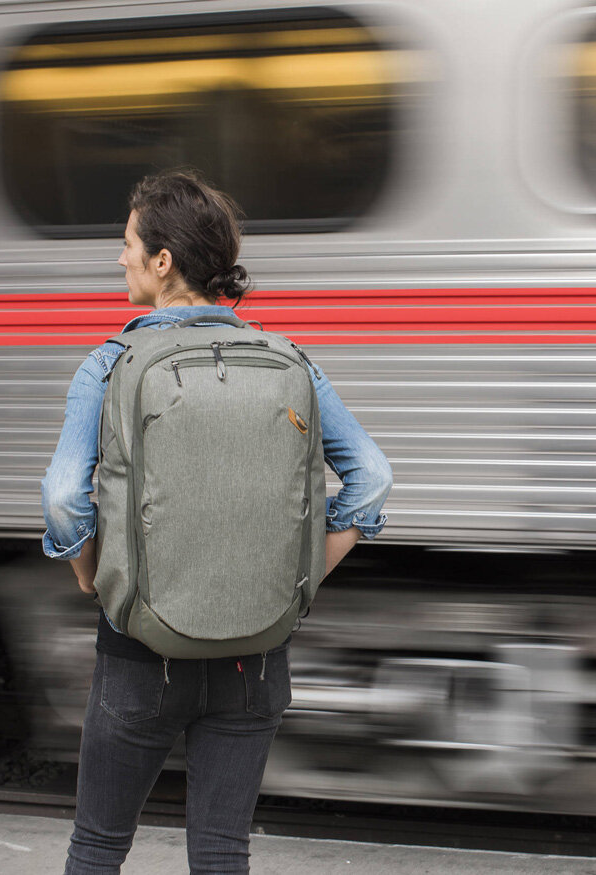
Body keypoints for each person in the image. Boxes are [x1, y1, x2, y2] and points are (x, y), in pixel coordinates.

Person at [40, 170, 393, 875]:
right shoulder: (289, 361)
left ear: (162, 261)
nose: (120, 258)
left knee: (100, 845)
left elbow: (63, 498)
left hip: (140, 652)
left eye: (128, 244)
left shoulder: (110, 363)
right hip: (254, 657)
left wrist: (90, 571)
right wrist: (301, 576)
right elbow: (373, 477)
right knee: (223, 852)